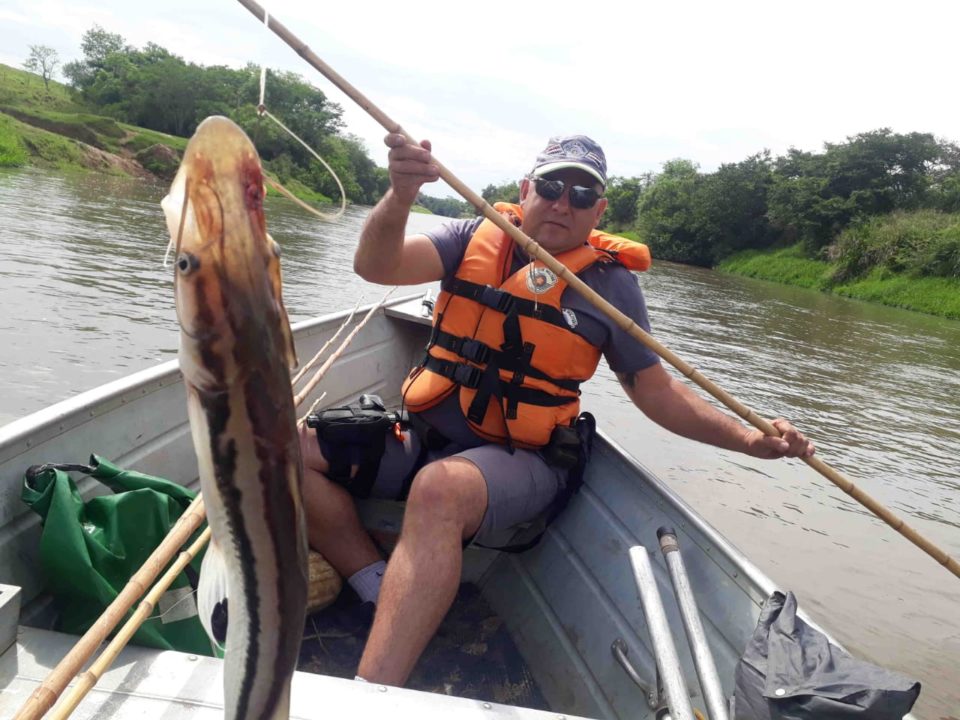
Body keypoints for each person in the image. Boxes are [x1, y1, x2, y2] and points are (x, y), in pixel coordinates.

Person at [299, 133, 815, 687]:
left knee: (438, 489)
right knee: (286, 448)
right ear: (526, 190)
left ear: (599, 210)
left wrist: (747, 439)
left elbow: (656, 391)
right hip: (426, 435)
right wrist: (400, 195)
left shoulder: (610, 285)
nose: (562, 202)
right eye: (550, 186)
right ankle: (375, 582)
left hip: (524, 458)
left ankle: (371, 694)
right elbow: (375, 266)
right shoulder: (468, 235)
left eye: (581, 193)